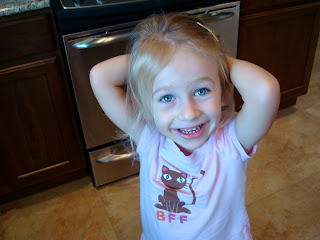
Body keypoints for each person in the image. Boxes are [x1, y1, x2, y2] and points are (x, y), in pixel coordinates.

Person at [90, 13, 280, 240]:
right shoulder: (150, 138)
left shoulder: (230, 142)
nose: (189, 113)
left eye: (202, 91)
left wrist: (213, 59)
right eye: (167, 97)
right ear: (146, 105)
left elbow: (265, 90)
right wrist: (156, 55)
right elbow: (100, 77)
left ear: (221, 90)